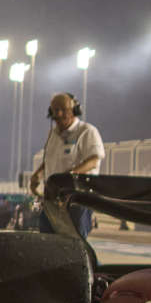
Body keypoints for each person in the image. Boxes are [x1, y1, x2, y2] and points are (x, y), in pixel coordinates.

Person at [30, 92, 104, 238]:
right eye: (55, 110)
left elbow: (94, 160)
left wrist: (70, 175)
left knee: (75, 244)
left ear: (75, 110)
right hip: (52, 198)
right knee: (47, 241)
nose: (59, 114)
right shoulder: (53, 134)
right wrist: (37, 174)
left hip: (77, 199)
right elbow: (49, 160)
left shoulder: (87, 131)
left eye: (63, 109)